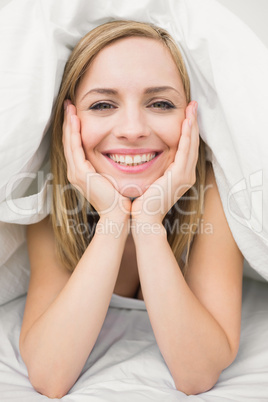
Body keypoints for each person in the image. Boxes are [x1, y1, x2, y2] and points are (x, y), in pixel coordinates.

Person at [19, 20, 243, 398]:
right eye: (103, 104)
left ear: (191, 119)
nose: (133, 128)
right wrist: (112, 218)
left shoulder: (215, 195)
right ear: (70, 122)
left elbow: (197, 374)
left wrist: (149, 221)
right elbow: (49, 375)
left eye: (161, 103)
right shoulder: (50, 201)